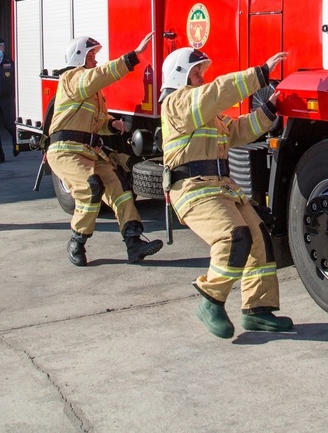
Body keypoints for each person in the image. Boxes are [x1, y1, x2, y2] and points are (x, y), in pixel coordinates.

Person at [160, 47, 292, 339]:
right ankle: (211, 300)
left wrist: (269, 110)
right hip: (192, 189)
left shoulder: (210, 116)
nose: (202, 78)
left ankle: (258, 310)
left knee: (259, 236)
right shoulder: (175, 104)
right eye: (197, 73)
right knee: (233, 237)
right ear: (179, 75)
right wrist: (259, 74)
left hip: (219, 188)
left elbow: (239, 131)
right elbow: (216, 93)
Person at [48, 32, 163, 267]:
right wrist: (132, 57)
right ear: (79, 58)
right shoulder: (72, 78)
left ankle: (134, 243)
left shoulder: (91, 93)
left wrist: (112, 124)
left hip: (88, 151)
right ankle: (77, 242)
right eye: (91, 56)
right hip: (66, 151)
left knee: (120, 188)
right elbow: (101, 75)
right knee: (91, 188)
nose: (95, 60)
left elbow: (98, 124)